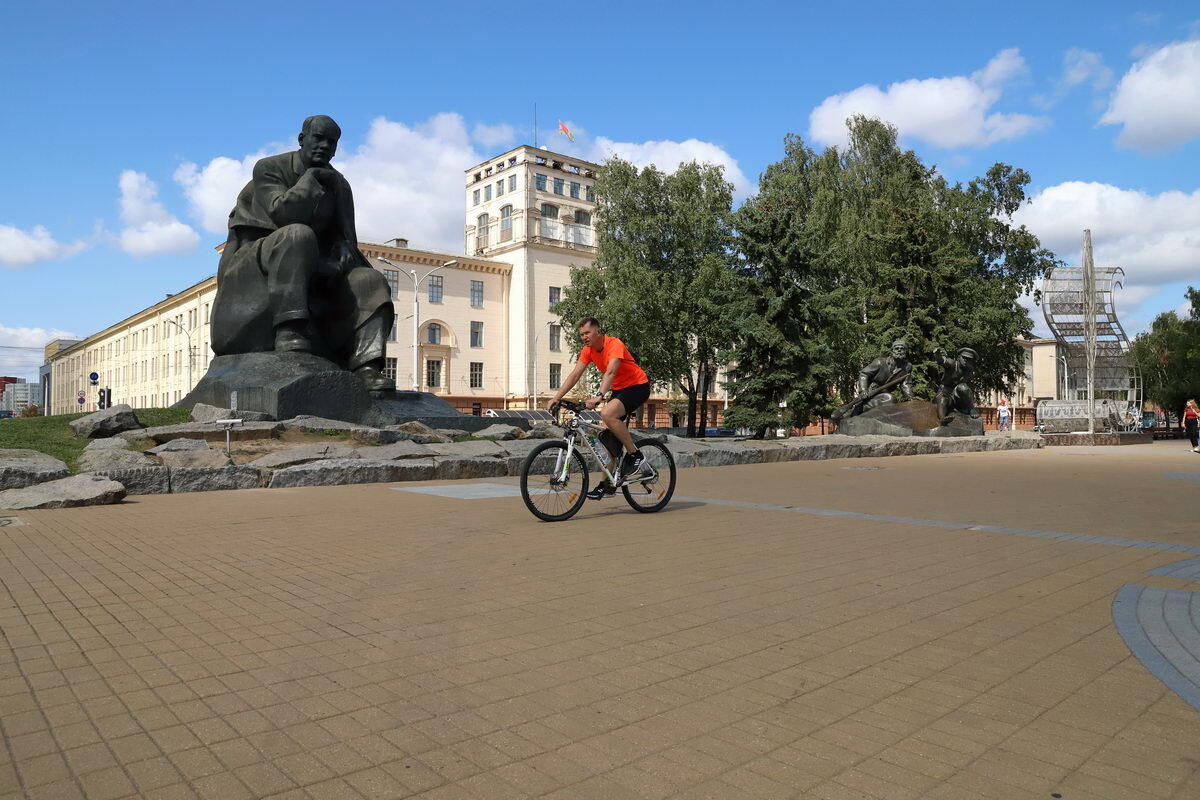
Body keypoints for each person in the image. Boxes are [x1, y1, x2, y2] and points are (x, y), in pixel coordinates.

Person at [210, 115, 396, 391]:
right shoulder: (269, 168)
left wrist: (343, 250)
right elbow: (283, 213)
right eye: (318, 138)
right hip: (253, 267)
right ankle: (290, 330)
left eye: (331, 142)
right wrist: (310, 179)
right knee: (298, 233)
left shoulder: (339, 184)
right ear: (301, 139)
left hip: (313, 269)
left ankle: (365, 367)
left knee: (370, 281)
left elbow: (347, 238)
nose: (324, 146)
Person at [546, 317, 652, 499]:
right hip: (619, 390)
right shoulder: (587, 351)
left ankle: (635, 455)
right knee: (606, 438)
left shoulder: (614, 344)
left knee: (607, 413)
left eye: (587, 333)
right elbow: (575, 375)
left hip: (638, 386)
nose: (584, 337)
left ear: (598, 332)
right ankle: (607, 484)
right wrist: (556, 397)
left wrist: (600, 395)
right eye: (581, 335)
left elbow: (610, 371)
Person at [852, 340, 914, 415]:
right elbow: (864, 374)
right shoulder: (879, 362)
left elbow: (905, 384)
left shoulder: (907, 366)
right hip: (871, 393)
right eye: (896, 348)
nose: (899, 350)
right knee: (890, 399)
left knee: (890, 400)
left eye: (902, 348)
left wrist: (911, 398)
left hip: (884, 394)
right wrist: (863, 390)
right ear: (892, 351)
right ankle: (860, 409)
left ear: (906, 351)